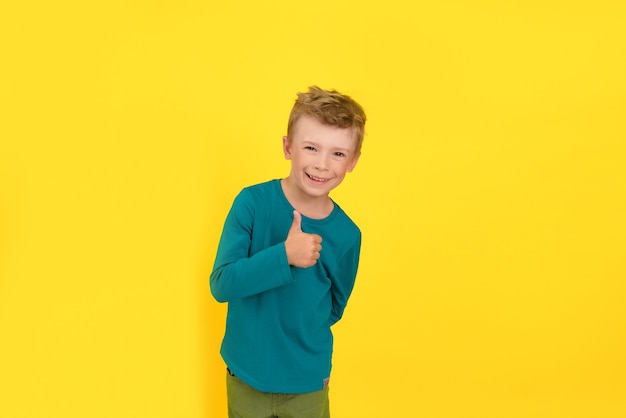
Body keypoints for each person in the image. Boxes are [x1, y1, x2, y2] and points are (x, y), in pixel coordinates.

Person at [210, 86, 367, 418]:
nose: (322, 165)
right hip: (246, 376)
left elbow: (334, 306)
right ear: (288, 147)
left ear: (352, 161)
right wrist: (284, 256)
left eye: (338, 153)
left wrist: (297, 340)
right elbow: (222, 284)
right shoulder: (252, 203)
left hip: (307, 382)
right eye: (311, 148)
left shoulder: (348, 235)